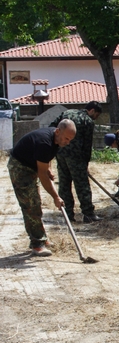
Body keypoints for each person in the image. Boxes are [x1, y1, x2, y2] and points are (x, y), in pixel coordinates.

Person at [7, 120, 76, 256]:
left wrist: (49, 168)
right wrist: (56, 197)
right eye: (67, 138)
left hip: (29, 166)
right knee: (30, 205)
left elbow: (47, 156)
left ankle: (41, 239)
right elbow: (42, 174)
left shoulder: (55, 139)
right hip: (20, 168)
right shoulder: (44, 142)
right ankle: (37, 244)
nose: (68, 142)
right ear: (57, 131)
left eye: (70, 140)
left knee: (35, 203)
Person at [50, 101, 102, 223]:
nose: (96, 118)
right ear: (92, 111)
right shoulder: (87, 121)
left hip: (61, 153)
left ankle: (67, 214)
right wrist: (86, 163)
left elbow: (52, 127)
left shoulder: (66, 113)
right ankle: (88, 214)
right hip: (76, 157)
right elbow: (87, 145)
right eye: (97, 115)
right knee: (82, 185)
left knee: (64, 184)